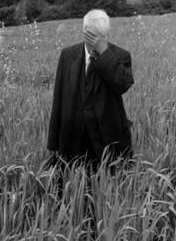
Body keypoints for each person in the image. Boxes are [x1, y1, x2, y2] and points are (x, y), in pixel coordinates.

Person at [47, 9, 134, 168]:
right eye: (93, 37)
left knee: (108, 185)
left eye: (102, 37)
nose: (97, 42)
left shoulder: (120, 56)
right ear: (84, 33)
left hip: (107, 140)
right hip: (73, 139)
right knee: (71, 185)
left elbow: (123, 84)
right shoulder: (68, 56)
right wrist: (53, 143)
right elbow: (58, 99)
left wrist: (103, 52)